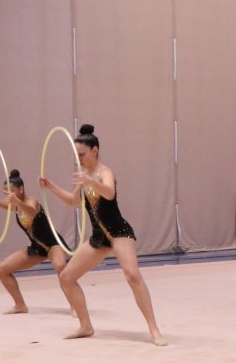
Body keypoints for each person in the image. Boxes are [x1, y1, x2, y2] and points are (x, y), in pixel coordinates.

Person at [39, 124, 167, 346]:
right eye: (77, 155)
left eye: (82, 154)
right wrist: (51, 187)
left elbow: (109, 193)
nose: (79, 159)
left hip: (118, 232)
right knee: (66, 277)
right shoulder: (86, 175)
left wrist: (90, 182)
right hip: (99, 237)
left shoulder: (104, 172)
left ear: (95, 150)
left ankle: (154, 329)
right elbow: (73, 201)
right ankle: (85, 326)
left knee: (132, 275)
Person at [0, 169, 70, 314]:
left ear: (21, 189)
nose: (8, 196)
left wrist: (16, 202)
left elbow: (31, 211)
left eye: (11, 192)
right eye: (5, 193)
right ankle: (20, 305)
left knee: (61, 267)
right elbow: (5, 204)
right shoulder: (15, 204)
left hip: (53, 244)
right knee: (2, 269)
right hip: (36, 248)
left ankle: (75, 306)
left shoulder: (31, 202)